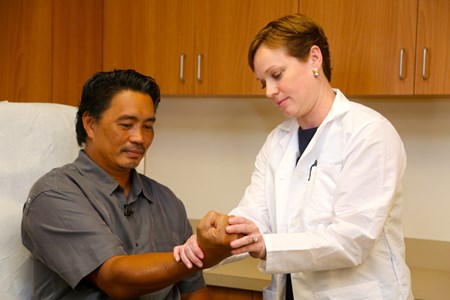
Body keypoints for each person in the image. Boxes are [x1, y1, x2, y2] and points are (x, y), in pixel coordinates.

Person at [174, 14, 413, 299]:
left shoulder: (369, 132)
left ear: (314, 59)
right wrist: (208, 242)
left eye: (276, 75)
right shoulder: (278, 141)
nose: (269, 92)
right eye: (263, 82)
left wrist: (266, 246)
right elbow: (254, 216)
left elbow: (352, 240)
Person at [21, 69, 235, 299]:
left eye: (148, 126)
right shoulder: (54, 195)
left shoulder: (166, 201)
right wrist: (200, 254)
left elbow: (193, 291)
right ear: (90, 124)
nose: (139, 138)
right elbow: (115, 279)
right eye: (126, 125)